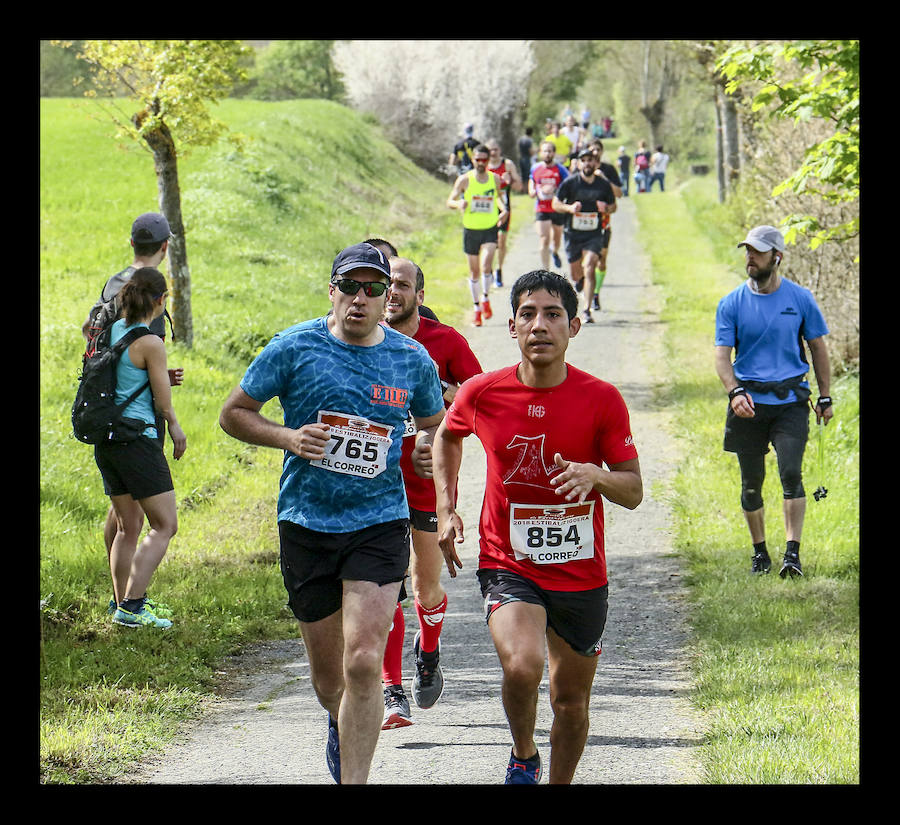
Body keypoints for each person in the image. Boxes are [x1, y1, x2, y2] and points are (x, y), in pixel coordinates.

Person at [218, 242, 445, 784]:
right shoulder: (294, 347)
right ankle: (340, 719)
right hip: (306, 522)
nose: (361, 299)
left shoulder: (411, 359)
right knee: (330, 681)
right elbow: (233, 414)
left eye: (374, 289)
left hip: (379, 521)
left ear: (387, 296)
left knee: (364, 660)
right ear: (332, 290)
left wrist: (426, 445)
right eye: (351, 287)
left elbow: (437, 424)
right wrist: (288, 437)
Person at [432, 270, 643, 784]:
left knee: (570, 702)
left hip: (580, 572)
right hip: (509, 563)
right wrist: (446, 507)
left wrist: (597, 474)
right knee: (523, 665)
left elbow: (633, 491)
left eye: (552, 315)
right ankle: (523, 752)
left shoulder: (602, 399)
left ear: (573, 326)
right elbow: (447, 437)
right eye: (528, 314)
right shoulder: (484, 393)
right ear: (511, 327)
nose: (539, 325)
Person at [380, 256, 484, 729]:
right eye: (386, 284)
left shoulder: (446, 343)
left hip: (427, 483)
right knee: (385, 587)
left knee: (425, 585)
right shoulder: (360, 343)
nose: (392, 292)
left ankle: (428, 650)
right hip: (373, 484)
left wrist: (437, 412)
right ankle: (391, 689)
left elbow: (479, 399)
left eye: (402, 284)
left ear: (420, 295)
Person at [714, 225, 833, 578]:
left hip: (791, 401)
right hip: (748, 401)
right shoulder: (731, 302)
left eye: (758, 252)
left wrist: (825, 395)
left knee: (791, 473)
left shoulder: (800, 299)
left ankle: (792, 554)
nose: (750, 257)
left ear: (776, 258)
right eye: (747, 251)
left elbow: (818, 348)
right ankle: (760, 553)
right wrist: (734, 392)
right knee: (751, 483)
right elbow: (722, 357)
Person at [82, 212, 184, 617]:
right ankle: (131, 604)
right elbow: (148, 356)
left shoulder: (113, 286)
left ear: (132, 245)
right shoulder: (150, 310)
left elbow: (92, 336)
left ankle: (120, 600)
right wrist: (171, 419)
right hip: (137, 425)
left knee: (125, 518)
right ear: (164, 247)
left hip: (106, 419)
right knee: (155, 521)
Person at [552, 148, 617, 323]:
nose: (587, 163)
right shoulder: (571, 183)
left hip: (594, 234)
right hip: (572, 234)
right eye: (584, 160)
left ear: (595, 163)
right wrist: (569, 208)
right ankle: (581, 283)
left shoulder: (603, 185)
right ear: (580, 163)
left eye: (591, 160)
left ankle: (587, 309)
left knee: (590, 266)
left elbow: (614, 206)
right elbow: (555, 203)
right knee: (576, 274)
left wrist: (606, 207)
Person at [446, 145, 508, 327]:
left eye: (484, 160)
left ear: (489, 160)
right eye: (478, 159)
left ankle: (486, 298)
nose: (481, 163)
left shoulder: (495, 179)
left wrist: (504, 210)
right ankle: (476, 309)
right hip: (471, 229)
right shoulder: (464, 179)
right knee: (474, 271)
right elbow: (449, 200)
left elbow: (498, 197)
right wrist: (459, 204)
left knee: (487, 263)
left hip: (489, 227)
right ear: (473, 160)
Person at [486, 138, 524, 288]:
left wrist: (510, 181)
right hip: (488, 208)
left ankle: (499, 270)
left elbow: (519, 186)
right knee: (489, 242)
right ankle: (487, 271)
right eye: (490, 150)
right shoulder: (484, 166)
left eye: (495, 149)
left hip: (504, 207)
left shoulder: (507, 165)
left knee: (501, 240)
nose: (493, 153)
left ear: (499, 150)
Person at [528, 140, 569, 271]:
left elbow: (568, 186)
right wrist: (533, 191)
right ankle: (546, 271)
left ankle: (555, 252)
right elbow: (532, 183)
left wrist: (554, 189)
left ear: (554, 153)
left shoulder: (561, 169)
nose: (547, 154)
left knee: (556, 239)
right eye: (545, 151)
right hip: (542, 208)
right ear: (541, 153)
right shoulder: (535, 168)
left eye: (550, 151)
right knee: (544, 239)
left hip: (557, 208)